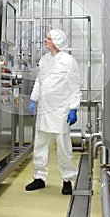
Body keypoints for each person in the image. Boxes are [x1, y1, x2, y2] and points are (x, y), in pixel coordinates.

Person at [25, 28, 82, 195]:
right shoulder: (44, 60)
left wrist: (74, 108)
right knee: (40, 145)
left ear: (57, 42)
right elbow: (39, 81)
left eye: (48, 38)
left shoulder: (68, 61)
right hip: (44, 109)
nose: (45, 40)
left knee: (64, 148)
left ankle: (67, 180)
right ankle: (39, 178)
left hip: (61, 110)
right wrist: (33, 99)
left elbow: (75, 85)